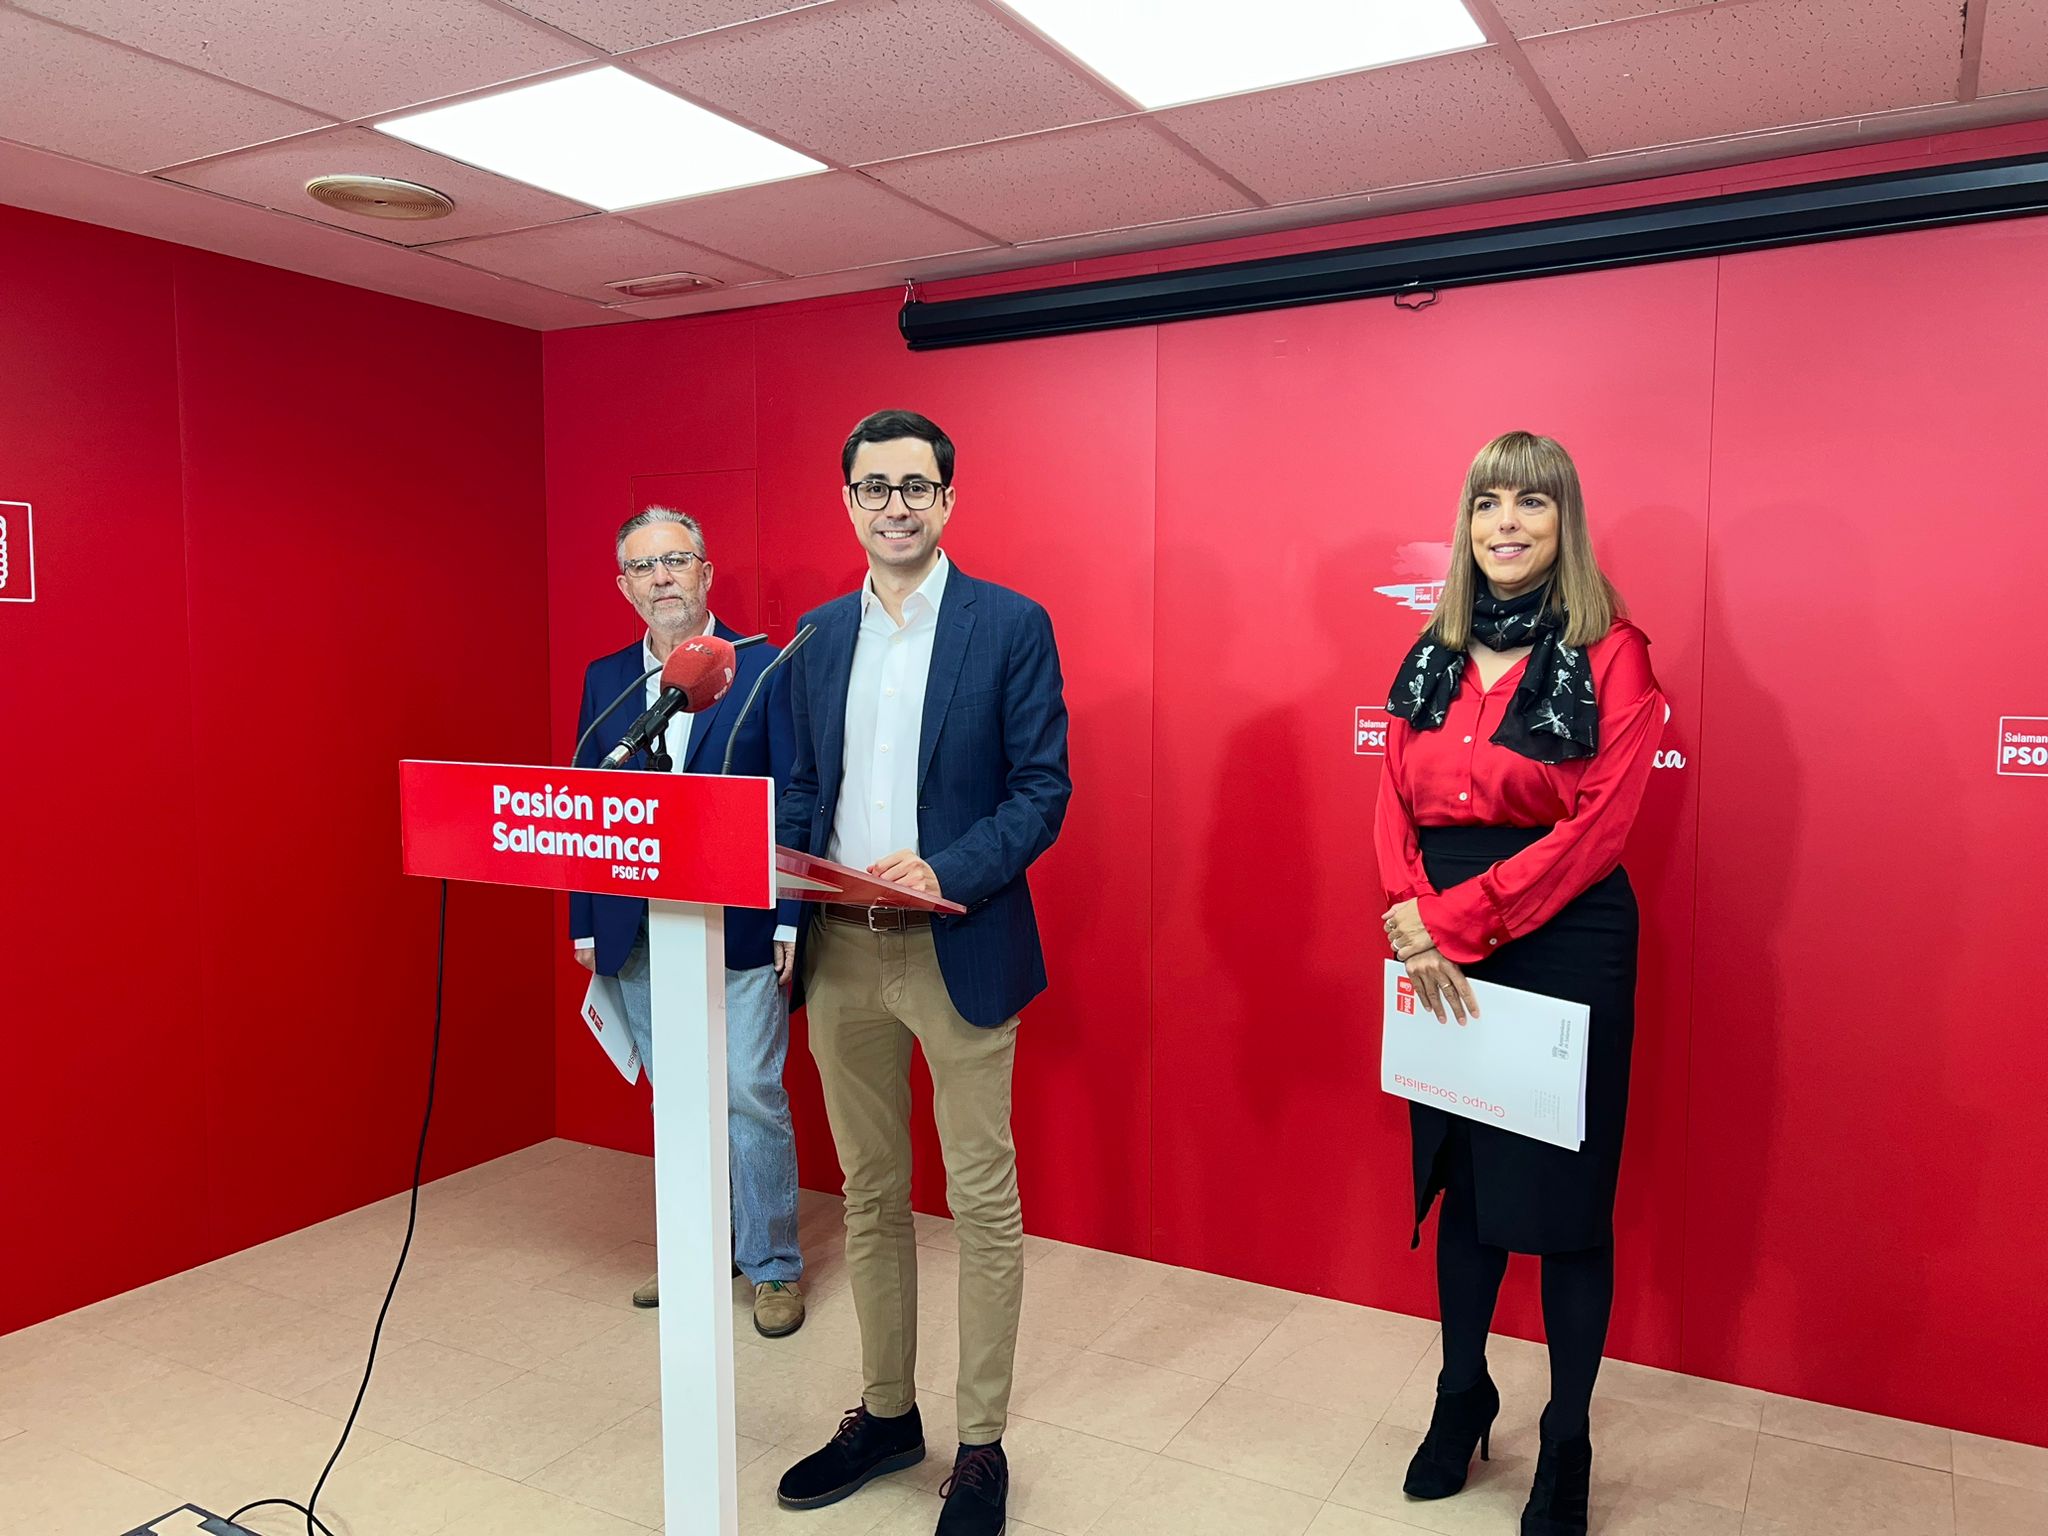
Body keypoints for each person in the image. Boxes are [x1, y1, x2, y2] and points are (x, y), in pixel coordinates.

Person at [773, 410, 1071, 1536]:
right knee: (867, 1196)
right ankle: (887, 1414)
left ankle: (980, 1445)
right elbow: (802, 789)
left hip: (960, 940)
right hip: (841, 952)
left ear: (947, 499)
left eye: (913, 485)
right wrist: (790, 911)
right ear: (846, 501)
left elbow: (1043, 789)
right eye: (870, 486)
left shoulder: (1009, 626)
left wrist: (944, 867)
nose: (892, 504)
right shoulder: (812, 637)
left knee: (983, 1203)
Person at [1374, 432, 1666, 1536]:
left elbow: (1601, 828)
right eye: (1486, 503)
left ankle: (1568, 1438)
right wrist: (1409, 917)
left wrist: (1452, 920)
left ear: (1562, 524)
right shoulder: (1432, 649)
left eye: (1529, 506)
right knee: (1466, 1180)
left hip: (1560, 933)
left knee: (1564, 1206)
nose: (1504, 524)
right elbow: (1389, 802)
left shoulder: (1611, 649)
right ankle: (1462, 1395)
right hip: (1435, 942)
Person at [570, 506, 806, 1339]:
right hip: (636, 929)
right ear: (625, 587)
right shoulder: (606, 680)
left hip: (738, 924)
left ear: (707, 571)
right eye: (644, 566)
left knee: (747, 1090)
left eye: (676, 560)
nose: (662, 577)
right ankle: (700, 1248)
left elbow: (795, 797)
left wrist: (788, 921)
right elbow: (583, 806)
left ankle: (773, 1264)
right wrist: (584, 922)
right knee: (677, 1098)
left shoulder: (764, 666)